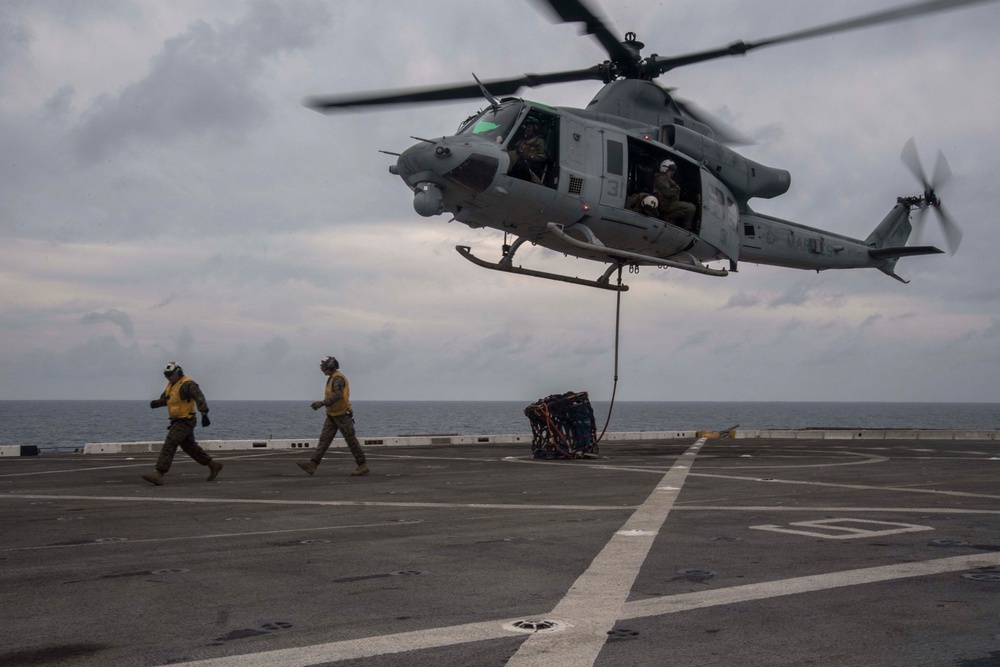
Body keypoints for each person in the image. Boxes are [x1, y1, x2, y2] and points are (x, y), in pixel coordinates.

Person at [142, 362, 222, 486]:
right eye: (166, 375)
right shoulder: (171, 385)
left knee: (170, 443)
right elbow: (167, 400)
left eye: (170, 375)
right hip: (177, 420)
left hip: (185, 420)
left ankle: (159, 473)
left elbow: (199, 397)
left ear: (178, 372)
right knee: (189, 447)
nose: (168, 378)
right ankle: (213, 465)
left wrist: (204, 414)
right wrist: (157, 403)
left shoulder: (188, 384)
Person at [298, 356, 369, 477]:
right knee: (324, 440)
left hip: (341, 414)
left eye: (324, 366)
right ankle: (313, 464)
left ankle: (362, 464)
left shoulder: (337, 379)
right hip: (332, 414)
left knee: (351, 440)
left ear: (330, 366)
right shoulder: (332, 378)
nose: (322, 369)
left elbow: (338, 396)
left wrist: (321, 403)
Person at [653, 159, 697, 230]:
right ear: (665, 169)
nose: (672, 172)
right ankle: (685, 227)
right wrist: (677, 190)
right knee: (691, 208)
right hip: (665, 205)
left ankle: (670, 217)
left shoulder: (666, 178)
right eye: (671, 170)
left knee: (689, 205)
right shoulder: (661, 178)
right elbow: (666, 193)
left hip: (668, 203)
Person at [508, 119, 548, 183]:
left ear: (535, 128)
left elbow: (543, 157)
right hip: (520, 164)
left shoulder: (540, 141)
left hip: (530, 166)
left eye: (529, 127)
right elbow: (515, 149)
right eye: (526, 127)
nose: (527, 129)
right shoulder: (522, 141)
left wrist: (527, 156)